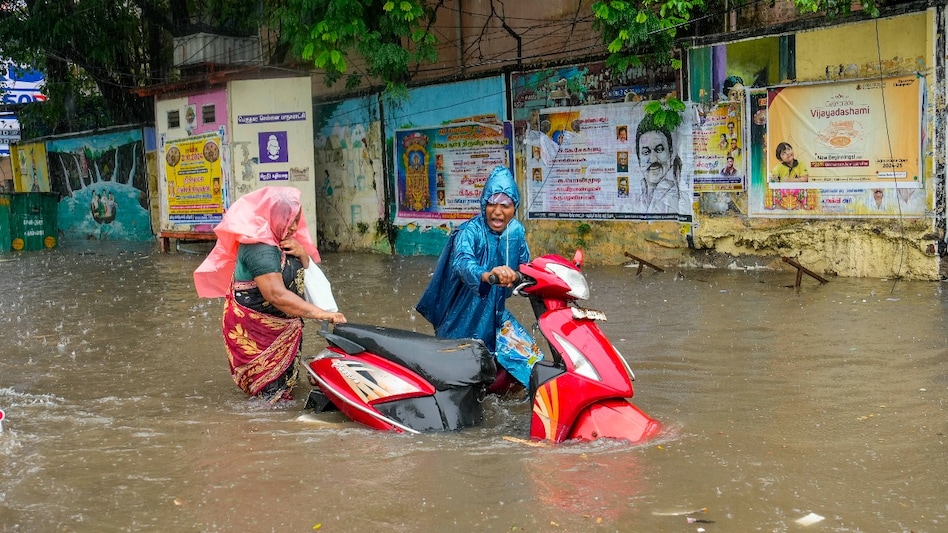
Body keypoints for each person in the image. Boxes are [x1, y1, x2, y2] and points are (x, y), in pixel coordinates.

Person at [193, 187, 347, 403]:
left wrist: (303, 254)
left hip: (285, 328)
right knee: (270, 400)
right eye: (290, 221)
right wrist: (321, 313)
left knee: (284, 389)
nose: (294, 228)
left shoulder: (280, 240)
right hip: (259, 333)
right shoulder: (259, 249)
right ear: (274, 218)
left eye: (297, 221)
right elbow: (275, 294)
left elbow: (303, 275)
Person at [416, 166, 542, 389]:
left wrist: (519, 276)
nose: (497, 211)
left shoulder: (516, 232)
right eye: (492, 204)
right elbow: (463, 263)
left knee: (535, 368)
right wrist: (486, 275)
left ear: (515, 208)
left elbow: (527, 268)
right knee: (459, 382)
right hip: (463, 317)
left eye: (505, 205)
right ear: (483, 204)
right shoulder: (469, 231)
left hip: (497, 315)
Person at [634, 115, 683, 213]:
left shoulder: (680, 198)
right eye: (646, 152)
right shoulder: (636, 201)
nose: (653, 159)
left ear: (670, 152)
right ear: (639, 158)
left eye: (659, 150)